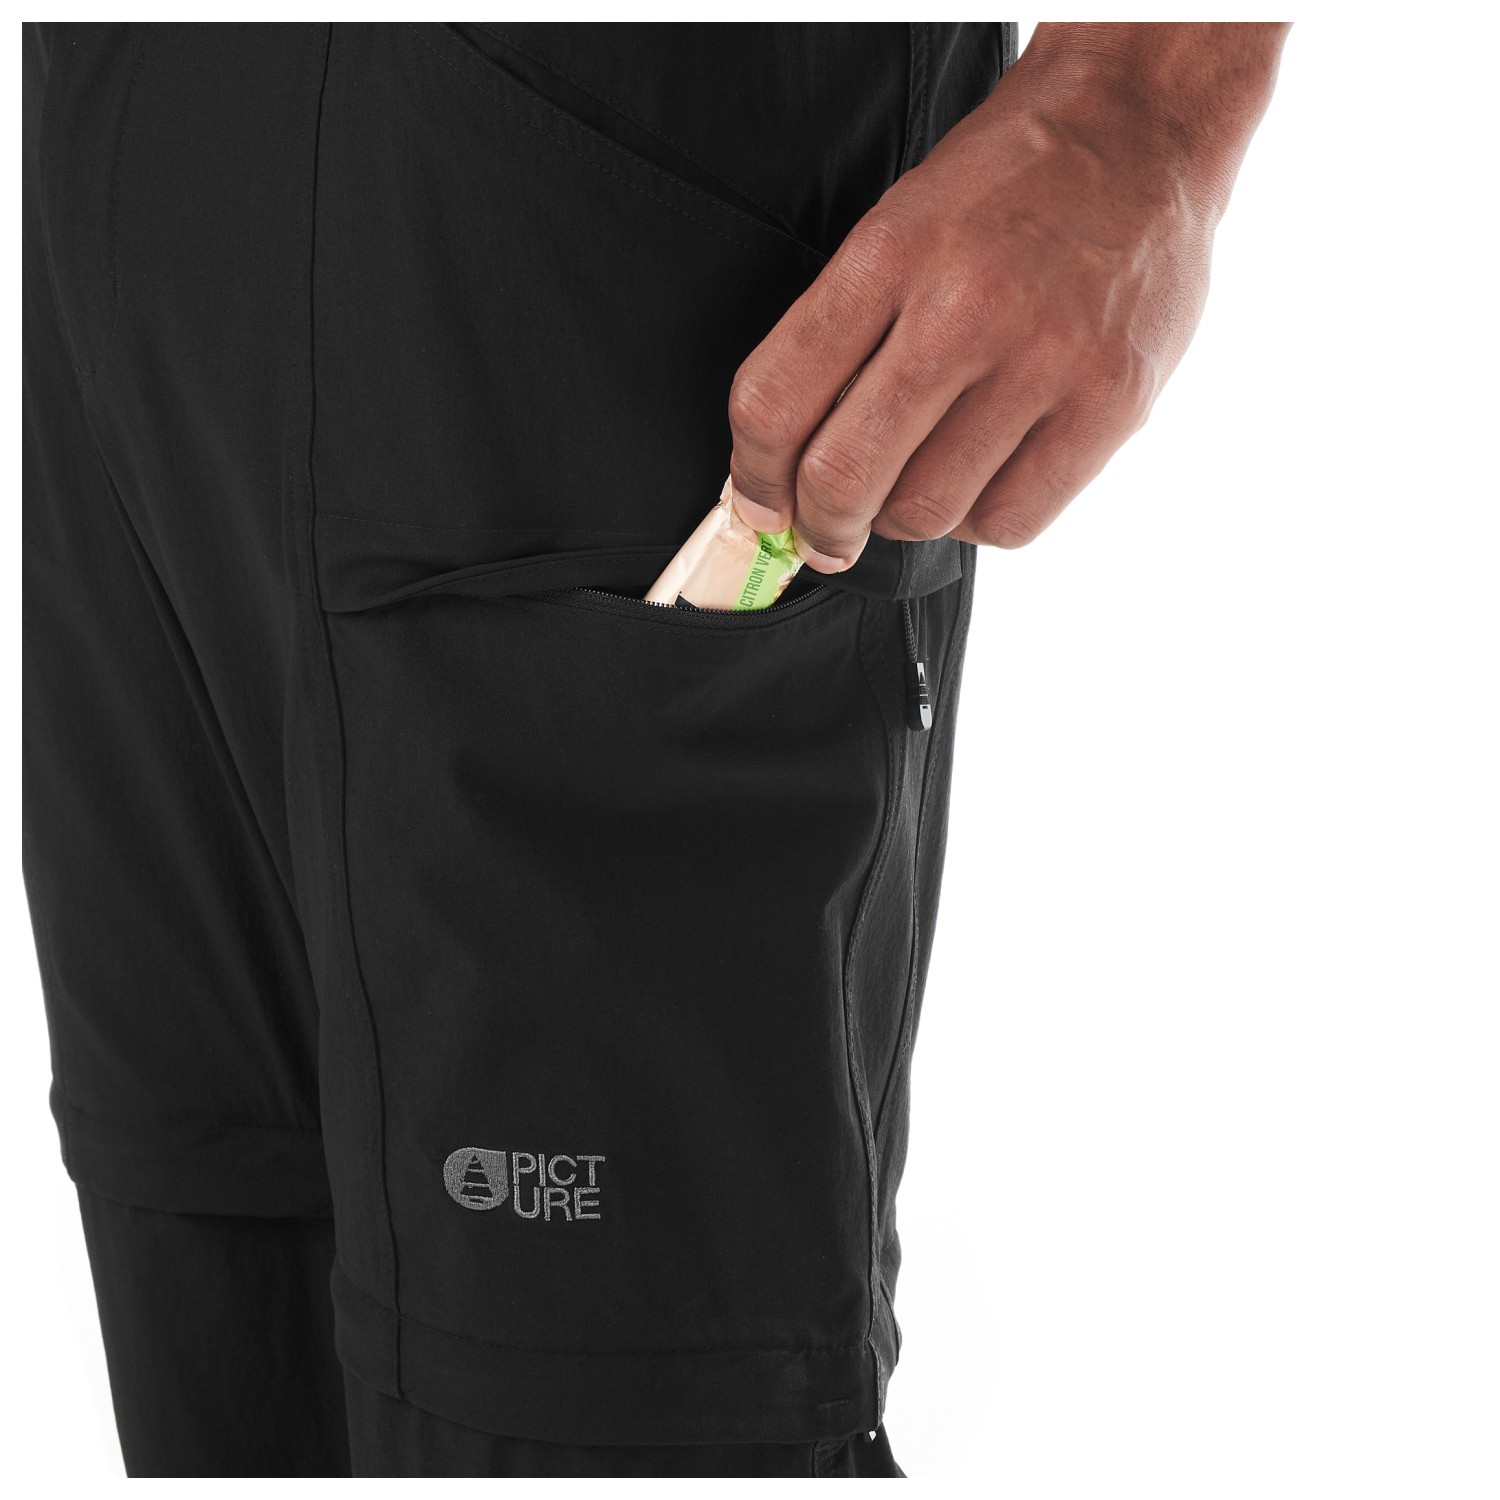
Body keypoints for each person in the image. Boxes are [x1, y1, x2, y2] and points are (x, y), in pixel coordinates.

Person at [21, 21, 1287, 1478]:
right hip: (123, 166)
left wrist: (1146, 98)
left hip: (604, 180)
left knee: (611, 1382)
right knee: (222, 1266)